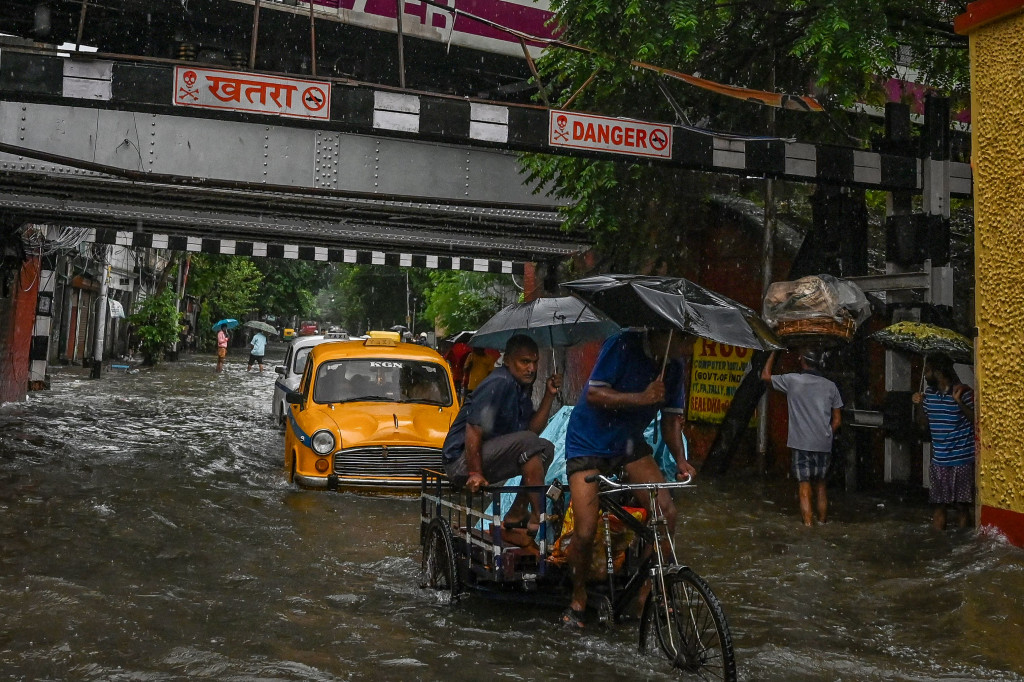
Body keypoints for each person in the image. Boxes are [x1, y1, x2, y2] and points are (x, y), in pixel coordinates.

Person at [561, 328, 697, 629]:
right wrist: (642, 397)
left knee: (666, 513)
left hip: (628, 443)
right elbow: (595, 393)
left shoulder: (673, 365)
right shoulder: (622, 344)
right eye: (686, 341)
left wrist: (681, 460)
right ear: (665, 333)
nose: (689, 349)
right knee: (585, 530)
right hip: (589, 442)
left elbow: (672, 419)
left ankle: (645, 596)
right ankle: (578, 597)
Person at [442, 334, 561, 548]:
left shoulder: (521, 388)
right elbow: (473, 428)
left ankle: (515, 515)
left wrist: (549, 395)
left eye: (535, 362)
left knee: (545, 448)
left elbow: (531, 431)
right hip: (462, 461)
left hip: (491, 454)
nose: (531, 369)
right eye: (525, 362)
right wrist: (475, 472)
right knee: (531, 442)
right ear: (507, 361)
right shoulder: (499, 382)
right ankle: (537, 514)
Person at [761, 348, 843, 527]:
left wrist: (773, 352)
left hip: (802, 443)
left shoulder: (792, 380)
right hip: (824, 443)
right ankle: (822, 523)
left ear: (802, 361)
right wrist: (826, 432)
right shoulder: (831, 386)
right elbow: (837, 420)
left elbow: (765, 376)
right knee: (821, 485)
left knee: (804, 486)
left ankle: (808, 526)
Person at [912, 355, 975, 530]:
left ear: (939, 373)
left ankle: (962, 547)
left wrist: (959, 402)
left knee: (961, 507)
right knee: (939, 507)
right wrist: (919, 403)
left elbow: (975, 421)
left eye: (927, 371)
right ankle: (939, 547)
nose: (925, 375)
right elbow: (922, 425)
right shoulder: (930, 395)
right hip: (939, 461)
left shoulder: (964, 392)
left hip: (961, 460)